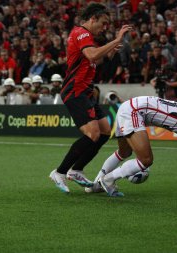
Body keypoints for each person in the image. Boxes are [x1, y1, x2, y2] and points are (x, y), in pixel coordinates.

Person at [49, 3, 131, 194]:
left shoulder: (87, 38)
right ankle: (60, 172)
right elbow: (92, 54)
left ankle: (76, 170)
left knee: (104, 132)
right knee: (92, 134)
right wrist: (116, 39)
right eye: (103, 23)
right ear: (93, 18)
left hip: (86, 92)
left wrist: (110, 51)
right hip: (75, 91)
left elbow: (94, 59)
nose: (104, 27)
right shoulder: (81, 32)